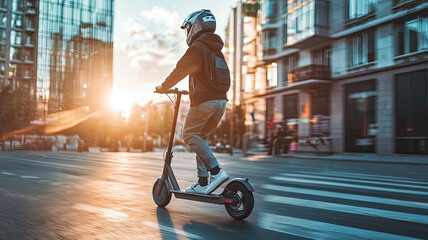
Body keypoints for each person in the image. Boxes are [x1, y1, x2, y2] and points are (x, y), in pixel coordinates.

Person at [156, 10, 229, 194]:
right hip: (221, 103)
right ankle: (203, 182)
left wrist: (164, 86)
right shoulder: (216, 49)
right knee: (200, 137)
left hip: (205, 102)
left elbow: (181, 69)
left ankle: (216, 171)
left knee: (189, 134)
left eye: (188, 28)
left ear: (195, 27)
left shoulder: (198, 48)